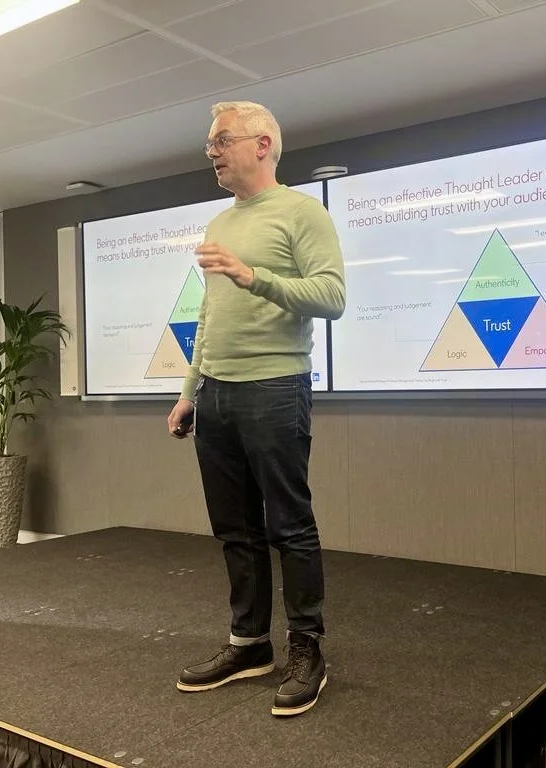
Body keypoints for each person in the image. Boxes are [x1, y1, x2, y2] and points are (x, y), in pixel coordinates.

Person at [166, 100, 345, 717]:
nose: (211, 151)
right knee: (233, 529)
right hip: (215, 394)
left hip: (275, 388)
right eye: (210, 143)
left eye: (220, 140)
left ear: (262, 143)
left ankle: (307, 650)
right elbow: (210, 317)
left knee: (289, 527)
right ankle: (249, 645)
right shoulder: (218, 224)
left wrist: (255, 276)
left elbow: (332, 296)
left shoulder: (304, 212)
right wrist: (190, 391)